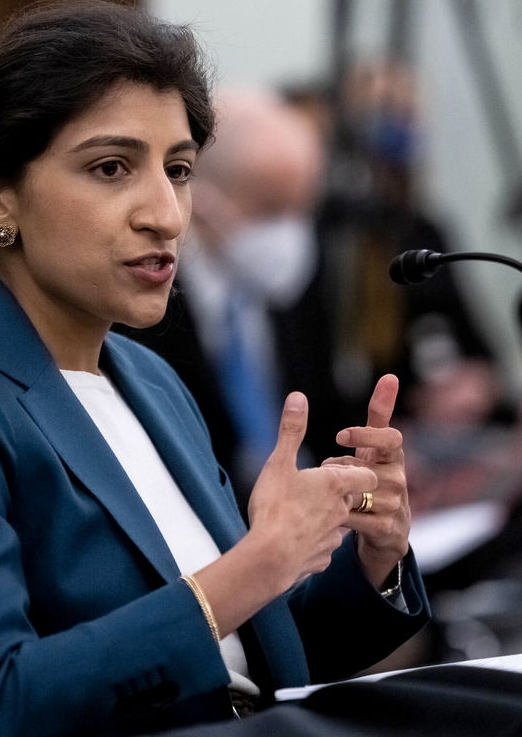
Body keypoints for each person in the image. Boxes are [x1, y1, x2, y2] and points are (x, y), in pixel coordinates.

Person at [0, 0, 429, 736]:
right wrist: (261, 561)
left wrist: (373, 556)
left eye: (178, 169)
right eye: (112, 167)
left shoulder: (149, 380)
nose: (166, 214)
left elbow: (253, 661)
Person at [120, 87, 360, 512]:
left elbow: (327, 419)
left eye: (301, 210)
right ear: (203, 201)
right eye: (271, 211)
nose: (291, 236)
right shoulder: (139, 306)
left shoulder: (300, 287)